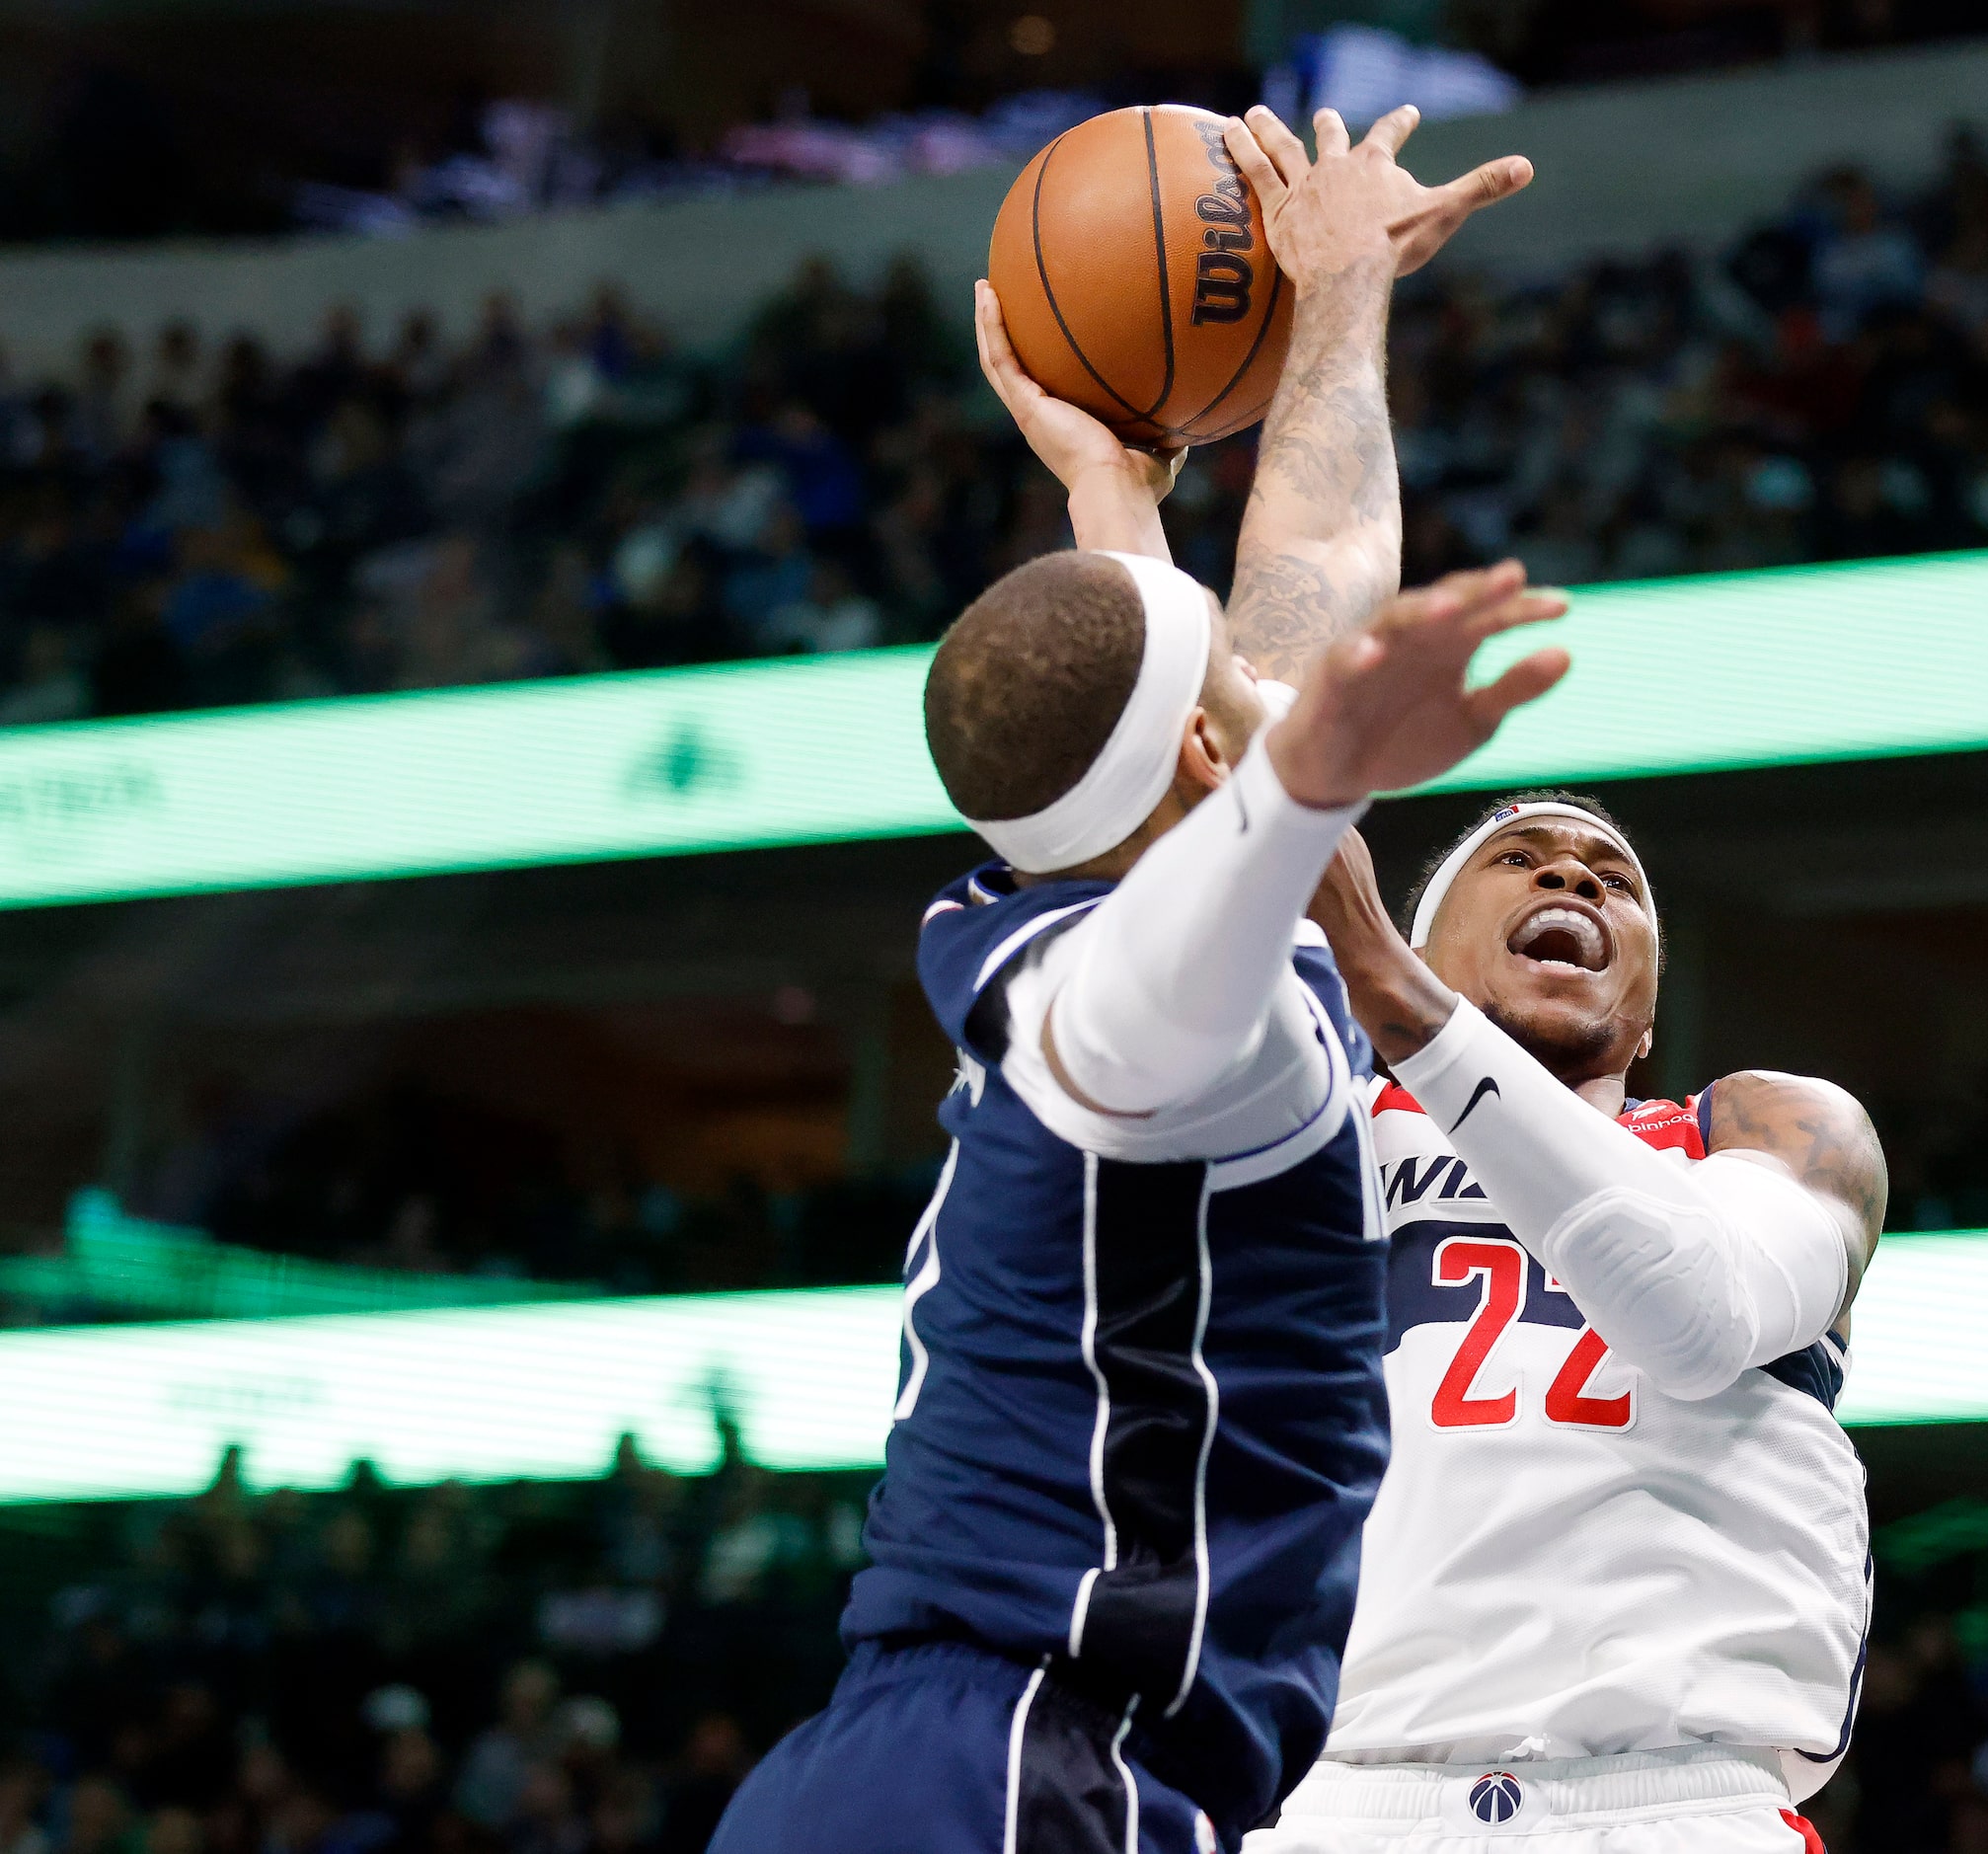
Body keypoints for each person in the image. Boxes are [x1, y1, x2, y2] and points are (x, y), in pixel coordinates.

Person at [708, 104, 1544, 1854]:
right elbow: (1147, 995)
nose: (1273, 701)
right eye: (1232, 714)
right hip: (1018, 1766)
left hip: (938, 1757)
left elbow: (1291, 603)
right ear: (1193, 763)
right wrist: (1310, 773)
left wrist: (1288, 349)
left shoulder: (1045, 896)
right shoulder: (1155, 1016)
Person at [1249, 791, 1887, 1852]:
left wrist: (1388, 986)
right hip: (1340, 1798)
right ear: (1423, 946)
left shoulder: (1769, 1125)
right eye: (1518, 858)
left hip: (1678, 1804)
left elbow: (1699, 1312)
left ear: (1644, 1017)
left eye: (1614, 877)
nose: (1573, 876)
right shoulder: (1324, 1138)